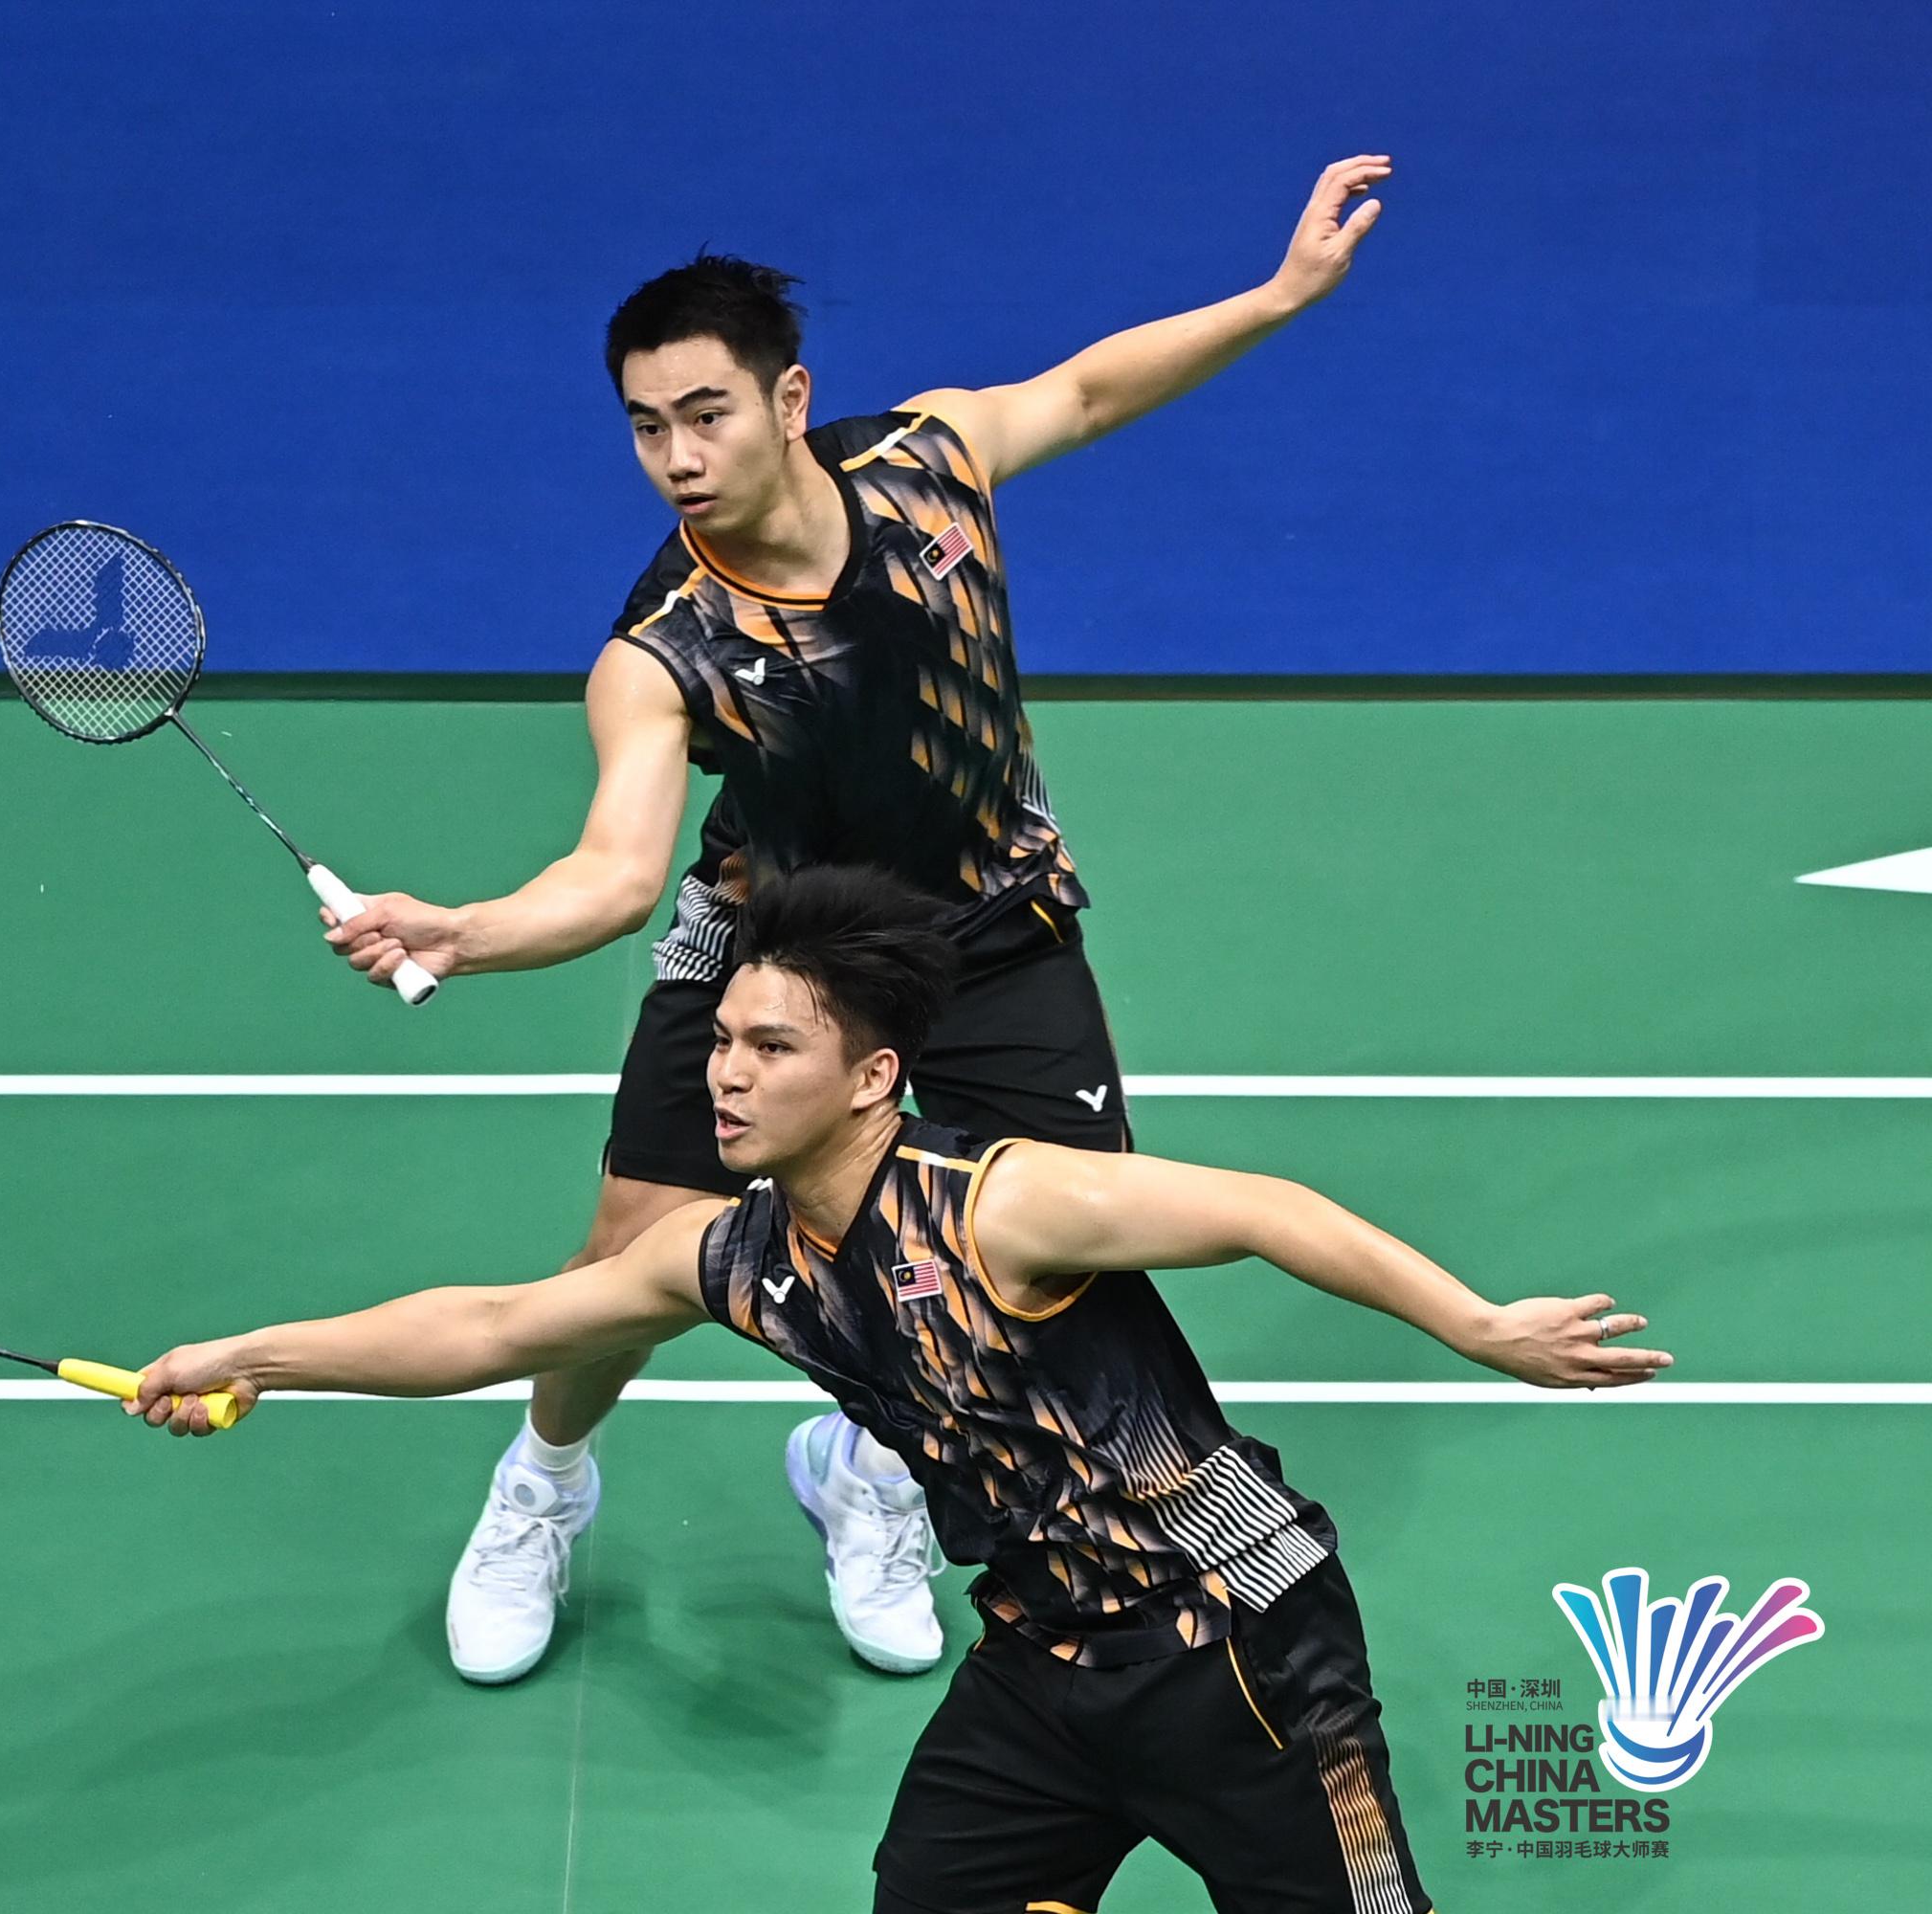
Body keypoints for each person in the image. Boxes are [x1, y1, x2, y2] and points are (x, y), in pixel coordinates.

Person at [326, 159, 1395, 1682]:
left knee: (1054, 1250)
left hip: (992, 929)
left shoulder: (925, 461)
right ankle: (545, 1481)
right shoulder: (664, 653)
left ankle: (868, 1473)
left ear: (789, 399)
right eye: (645, 426)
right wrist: (470, 931)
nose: (677, 456)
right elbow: (616, 874)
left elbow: (1087, 392)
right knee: (627, 1255)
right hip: (773, 951)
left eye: (705, 414)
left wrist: (1279, 297)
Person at [153, 865, 1666, 1913]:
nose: (723, 1074)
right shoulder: (738, 1257)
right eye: (721, 1042)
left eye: (770, 1047)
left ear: (873, 1077)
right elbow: (496, 1324)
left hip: (1240, 1648)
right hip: (1040, 1663)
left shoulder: (1003, 1203)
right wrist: (251, 1359)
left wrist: (1479, 1326)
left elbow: (1266, 1210)